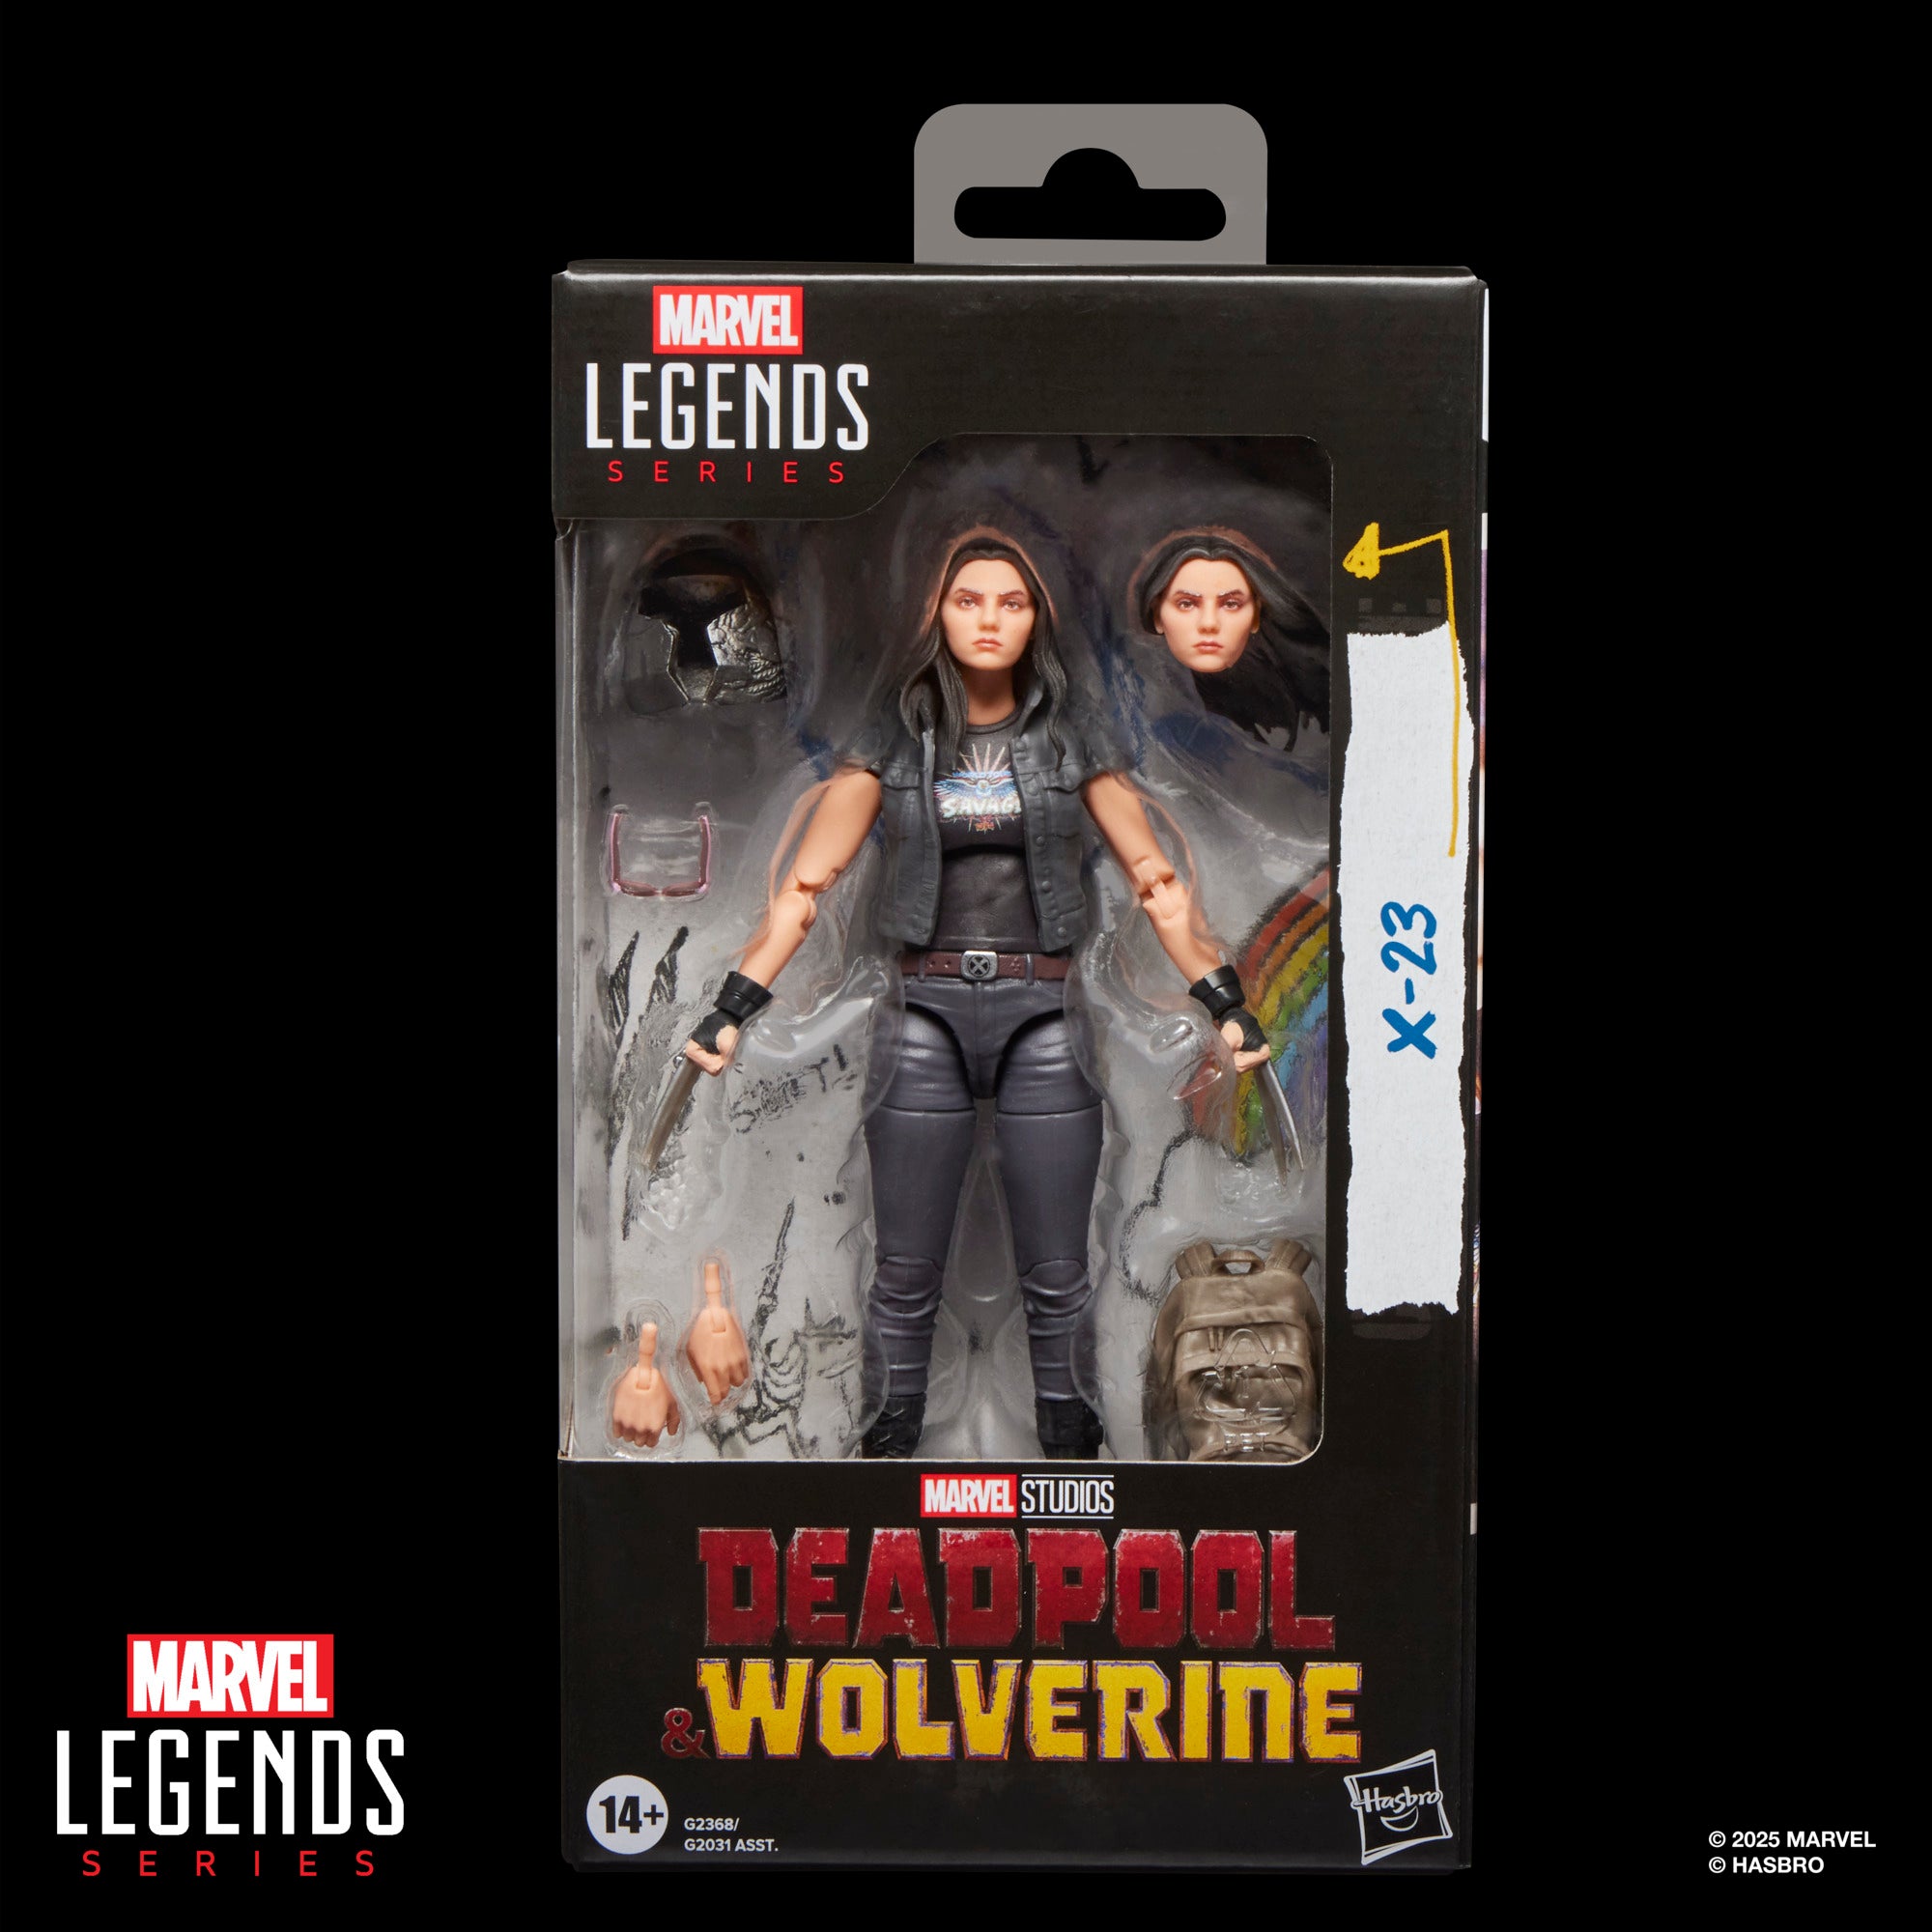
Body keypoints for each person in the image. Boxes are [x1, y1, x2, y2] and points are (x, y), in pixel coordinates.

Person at [682, 531, 1272, 1459]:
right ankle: (891, 1431)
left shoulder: (1071, 737)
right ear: (938, 613)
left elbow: (1156, 878)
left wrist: (1224, 1000)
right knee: (904, 1268)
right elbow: (804, 886)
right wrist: (733, 1007)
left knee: (1059, 1269)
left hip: (1044, 1012)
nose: (990, 620)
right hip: (926, 1009)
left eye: (1011, 602)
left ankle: (1070, 1433)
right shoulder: (894, 738)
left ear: (1037, 617)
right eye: (969, 601)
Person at [1131, 528, 1329, 750]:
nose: (1209, 623)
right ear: (1156, 615)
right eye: (1186, 604)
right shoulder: (1135, 709)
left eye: (1231, 604)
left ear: (1256, 616)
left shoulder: (1306, 715)